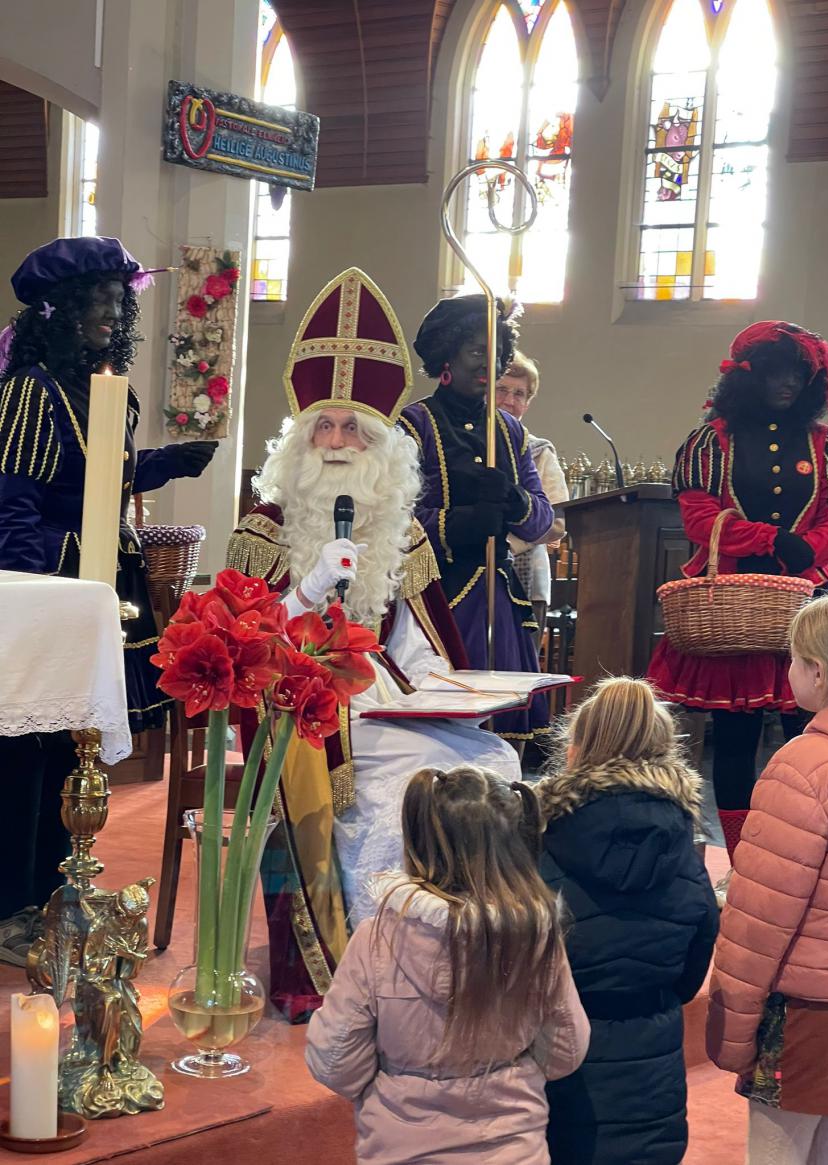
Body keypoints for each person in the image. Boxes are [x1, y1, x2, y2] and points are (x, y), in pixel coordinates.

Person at [226, 268, 522, 1021]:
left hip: (384, 703)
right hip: (301, 713)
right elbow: (239, 646)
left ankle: (461, 954)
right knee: (399, 798)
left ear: (382, 446)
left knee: (492, 764)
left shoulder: (400, 523)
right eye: (322, 426)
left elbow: (419, 637)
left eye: (353, 428)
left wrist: (437, 687)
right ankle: (375, 967)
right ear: (298, 440)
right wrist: (306, 591)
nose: (336, 441)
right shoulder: (266, 523)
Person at [0, 236, 216, 966]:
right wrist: (46, 597)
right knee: (25, 756)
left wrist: (166, 461)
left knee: (73, 749)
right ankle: (10, 904)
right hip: (47, 591)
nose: (108, 314)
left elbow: (101, 479)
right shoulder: (31, 388)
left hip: (98, 588)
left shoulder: (104, 391)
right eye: (95, 302)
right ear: (58, 311)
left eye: (117, 303)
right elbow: (16, 503)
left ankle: (61, 889)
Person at [647, 321, 828, 877]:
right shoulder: (710, 439)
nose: (787, 383)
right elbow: (697, 517)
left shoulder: (827, 445)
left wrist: (806, 549)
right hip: (734, 603)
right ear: (750, 376)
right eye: (775, 371)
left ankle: (810, 856)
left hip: (806, 601)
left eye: (798, 373)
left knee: (813, 732)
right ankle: (744, 859)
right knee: (737, 739)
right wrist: (771, 540)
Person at [305, 764, 590, 1165]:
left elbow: (335, 1063)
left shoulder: (377, 938)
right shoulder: (536, 937)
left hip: (401, 1149)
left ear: (417, 841)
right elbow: (565, 1052)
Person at [707, 592, 828, 1165]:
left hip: (807, 1015)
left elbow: (760, 919)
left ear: (820, 672)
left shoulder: (804, 765)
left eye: (794, 659)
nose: (788, 671)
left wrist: (731, 1029)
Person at [537, 677, 719, 1165]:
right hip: (650, 1060)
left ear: (575, 750)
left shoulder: (540, 834)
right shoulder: (680, 843)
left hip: (558, 1051)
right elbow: (695, 955)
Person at [400, 296, 554, 743]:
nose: (488, 366)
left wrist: (513, 500)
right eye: (475, 354)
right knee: (444, 729)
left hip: (499, 598)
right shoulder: (413, 425)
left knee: (502, 729)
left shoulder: (510, 430)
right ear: (447, 356)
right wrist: (464, 522)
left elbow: (540, 520)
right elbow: (396, 517)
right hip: (437, 597)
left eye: (498, 356)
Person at [496, 349, 569, 635]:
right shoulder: (460, 444)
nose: (509, 401)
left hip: (525, 576)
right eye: (501, 390)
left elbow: (559, 520)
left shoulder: (538, 451)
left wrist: (504, 543)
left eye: (520, 394)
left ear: (528, 403)